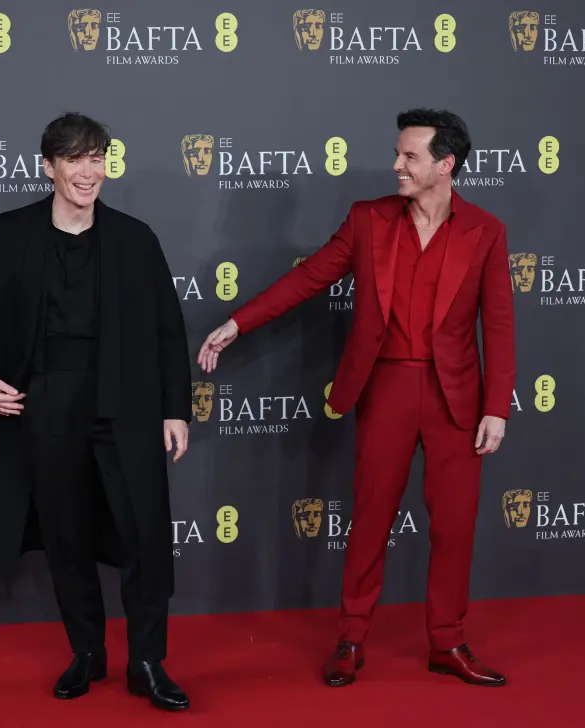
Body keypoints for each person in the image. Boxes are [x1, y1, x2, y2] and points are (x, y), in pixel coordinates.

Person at [198, 109, 515, 688]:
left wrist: (496, 406)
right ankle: (351, 639)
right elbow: (310, 277)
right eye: (398, 153)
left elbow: (498, 325)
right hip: (386, 386)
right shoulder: (368, 220)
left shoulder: (486, 231)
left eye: (409, 156)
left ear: (446, 165)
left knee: (455, 526)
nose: (396, 164)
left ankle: (448, 642)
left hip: (456, 398)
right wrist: (238, 323)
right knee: (370, 518)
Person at [0, 112, 193, 711]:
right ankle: (87, 652)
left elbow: (167, 330)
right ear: (48, 167)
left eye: (97, 159)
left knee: (144, 533)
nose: (88, 172)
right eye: (75, 160)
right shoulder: (9, 233)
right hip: (45, 402)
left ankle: (146, 661)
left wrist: (175, 409)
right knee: (66, 535)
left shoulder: (137, 240)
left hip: (126, 403)